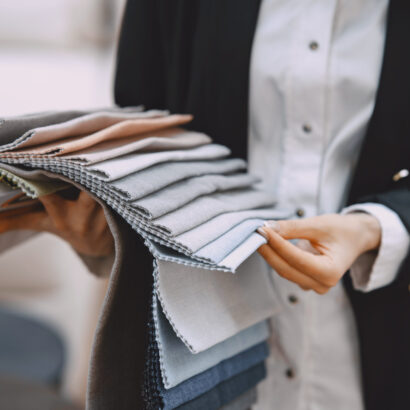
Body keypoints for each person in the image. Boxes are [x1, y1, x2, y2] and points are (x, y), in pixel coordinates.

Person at [1, 0, 409, 409]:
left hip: (377, 358)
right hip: (201, 365)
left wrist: (379, 227)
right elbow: (144, 140)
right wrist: (109, 235)